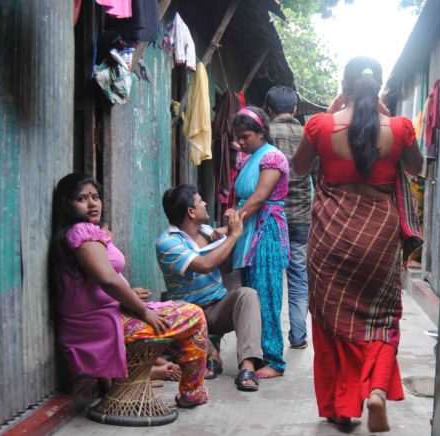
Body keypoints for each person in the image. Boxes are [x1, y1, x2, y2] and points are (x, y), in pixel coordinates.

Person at [292, 57, 424, 432]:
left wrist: (333, 112)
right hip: (379, 235)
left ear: (343, 85)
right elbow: (414, 167)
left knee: (331, 317)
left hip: (331, 235)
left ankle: (341, 406)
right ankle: (377, 391)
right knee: (382, 318)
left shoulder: (319, 125)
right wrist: (388, 117)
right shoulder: (400, 128)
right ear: (379, 86)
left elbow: (300, 169)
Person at [48, 173, 209, 408]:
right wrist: (144, 312)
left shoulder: (78, 234)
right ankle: (191, 393)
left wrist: (130, 295)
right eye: (82, 199)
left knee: (178, 313)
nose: (92, 203)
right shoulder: (83, 233)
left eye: (95, 197)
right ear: (67, 204)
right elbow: (109, 281)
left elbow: (92, 285)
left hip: (103, 319)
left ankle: (159, 371)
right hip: (104, 326)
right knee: (194, 316)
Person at [157, 184, 265, 391]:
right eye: (200, 201)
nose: (205, 203)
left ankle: (247, 365)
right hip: (190, 315)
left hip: (217, 309)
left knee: (247, 295)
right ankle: (211, 354)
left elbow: (226, 267)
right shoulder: (167, 243)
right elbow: (205, 266)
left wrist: (226, 238)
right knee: (175, 308)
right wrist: (233, 236)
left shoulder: (208, 231)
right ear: (191, 212)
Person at [230, 106, 290, 378]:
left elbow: (259, 197)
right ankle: (254, 354)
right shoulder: (248, 159)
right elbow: (241, 197)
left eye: (245, 137)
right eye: (238, 137)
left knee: (267, 294)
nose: (241, 143)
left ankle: (274, 359)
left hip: (265, 231)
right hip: (247, 229)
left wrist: (232, 222)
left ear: (261, 132)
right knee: (251, 296)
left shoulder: (272, 158)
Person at [265, 86, 313, 350]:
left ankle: (270, 341)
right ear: (295, 109)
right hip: (301, 216)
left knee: (271, 277)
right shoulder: (308, 134)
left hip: (271, 216)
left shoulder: (265, 134)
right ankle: (298, 335)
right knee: (298, 277)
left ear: (270, 109)